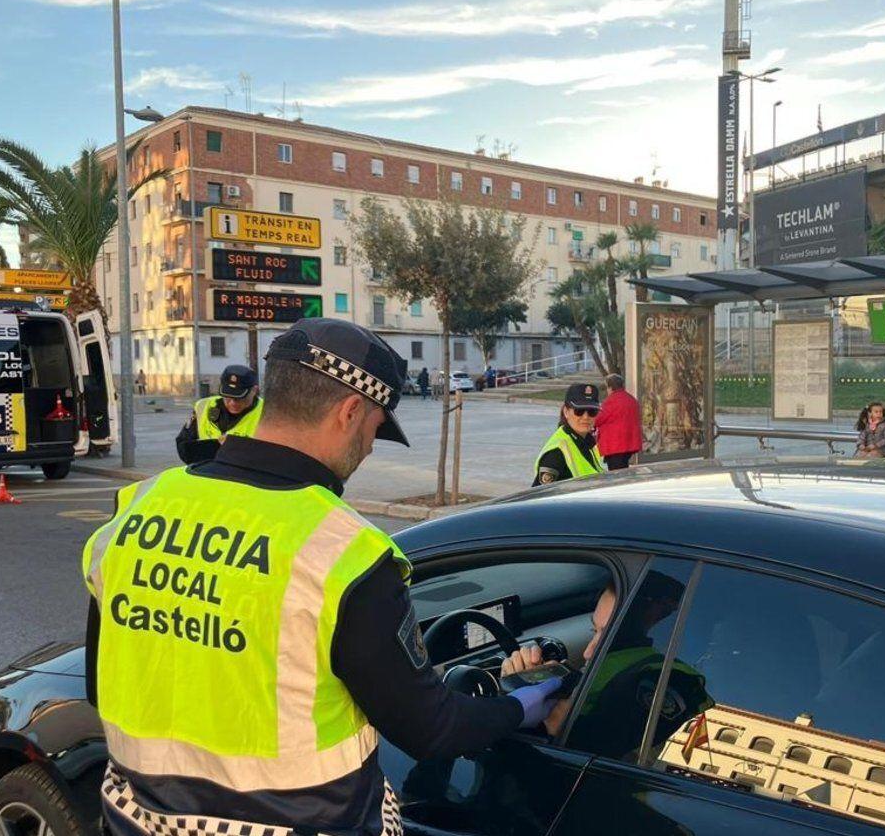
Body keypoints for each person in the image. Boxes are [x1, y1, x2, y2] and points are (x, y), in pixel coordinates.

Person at [82, 319, 562, 836]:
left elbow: (100, 677)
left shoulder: (137, 507)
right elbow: (431, 727)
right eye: (377, 427)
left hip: (138, 819)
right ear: (351, 411)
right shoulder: (344, 553)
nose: (372, 447)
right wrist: (525, 700)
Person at [501, 573, 711, 758]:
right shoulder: (622, 659)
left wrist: (530, 707)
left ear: (661, 614)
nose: (588, 652)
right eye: (595, 631)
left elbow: (599, 752)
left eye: (610, 634)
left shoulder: (675, 679)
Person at [174, 364, 264, 464]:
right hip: (206, 474)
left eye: (239, 397)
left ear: (254, 390)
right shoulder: (203, 406)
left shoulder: (267, 412)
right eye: (228, 396)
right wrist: (216, 446)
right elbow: (183, 447)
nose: (233, 403)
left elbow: (270, 457)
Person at [533, 382, 604, 486]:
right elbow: (539, 497)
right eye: (579, 411)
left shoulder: (589, 443)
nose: (585, 417)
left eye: (592, 411)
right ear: (566, 412)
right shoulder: (556, 452)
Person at [594, 374, 643, 470]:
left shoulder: (610, 401)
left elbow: (597, 420)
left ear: (610, 387)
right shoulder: (631, 399)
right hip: (629, 443)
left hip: (615, 445)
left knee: (616, 473)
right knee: (624, 468)